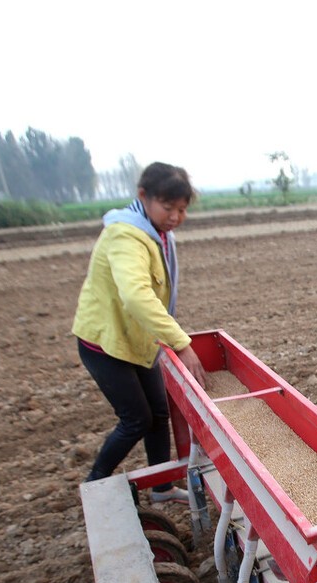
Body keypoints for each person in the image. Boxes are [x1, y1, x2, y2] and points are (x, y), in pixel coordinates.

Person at [71, 161, 208, 503]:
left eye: (182, 209)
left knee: (159, 413)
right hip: (106, 344)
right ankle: (94, 484)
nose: (175, 216)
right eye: (168, 207)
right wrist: (181, 343)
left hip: (138, 340)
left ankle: (161, 488)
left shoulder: (155, 231)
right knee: (136, 419)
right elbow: (136, 295)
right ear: (143, 196)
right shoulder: (126, 235)